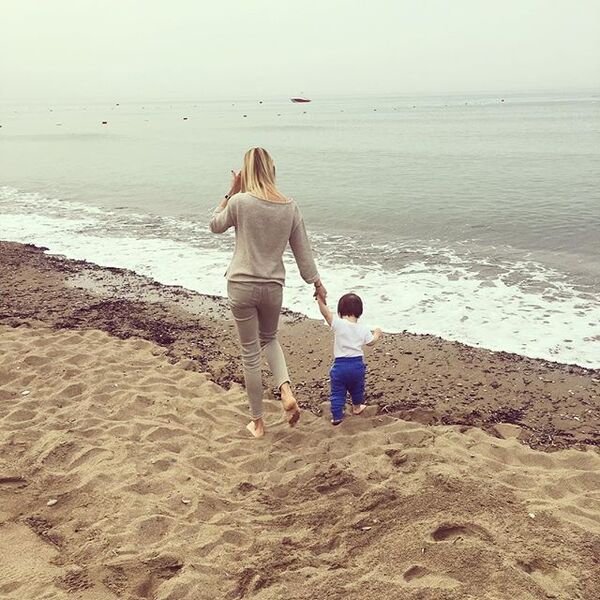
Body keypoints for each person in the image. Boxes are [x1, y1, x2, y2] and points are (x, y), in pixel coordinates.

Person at [209, 147, 326, 438]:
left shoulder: (239, 202)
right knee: (270, 339)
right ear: (272, 170)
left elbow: (215, 225)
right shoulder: (289, 206)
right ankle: (285, 390)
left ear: (247, 171)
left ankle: (258, 423)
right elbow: (303, 253)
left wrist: (230, 191)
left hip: (241, 285)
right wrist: (316, 283)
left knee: (250, 353)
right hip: (272, 287)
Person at [316, 292, 382, 425]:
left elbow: (326, 314)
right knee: (357, 389)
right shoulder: (363, 328)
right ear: (360, 312)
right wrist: (377, 334)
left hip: (340, 367)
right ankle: (357, 407)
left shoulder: (338, 324)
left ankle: (336, 416)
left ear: (340, 312)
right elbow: (371, 342)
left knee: (337, 393)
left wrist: (320, 299)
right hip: (357, 366)